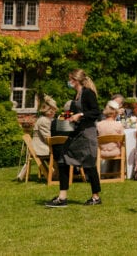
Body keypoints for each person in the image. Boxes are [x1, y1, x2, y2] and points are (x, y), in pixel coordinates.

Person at [45, 69, 102, 207]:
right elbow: (75, 113)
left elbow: (95, 112)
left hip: (87, 134)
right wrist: (65, 117)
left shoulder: (88, 93)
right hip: (77, 133)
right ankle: (62, 197)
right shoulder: (76, 95)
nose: (69, 82)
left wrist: (80, 115)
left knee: (89, 165)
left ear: (76, 80)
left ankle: (96, 197)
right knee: (63, 160)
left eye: (70, 79)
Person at [20, 95, 58, 181]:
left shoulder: (46, 119)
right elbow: (49, 139)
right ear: (47, 111)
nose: (54, 111)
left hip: (43, 146)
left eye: (54, 109)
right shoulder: (44, 121)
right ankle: (65, 175)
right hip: (42, 148)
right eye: (52, 109)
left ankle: (61, 174)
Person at [95, 104, 125, 174]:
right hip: (115, 151)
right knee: (124, 146)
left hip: (101, 152)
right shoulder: (119, 125)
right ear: (115, 114)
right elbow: (122, 140)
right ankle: (119, 172)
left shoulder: (99, 125)